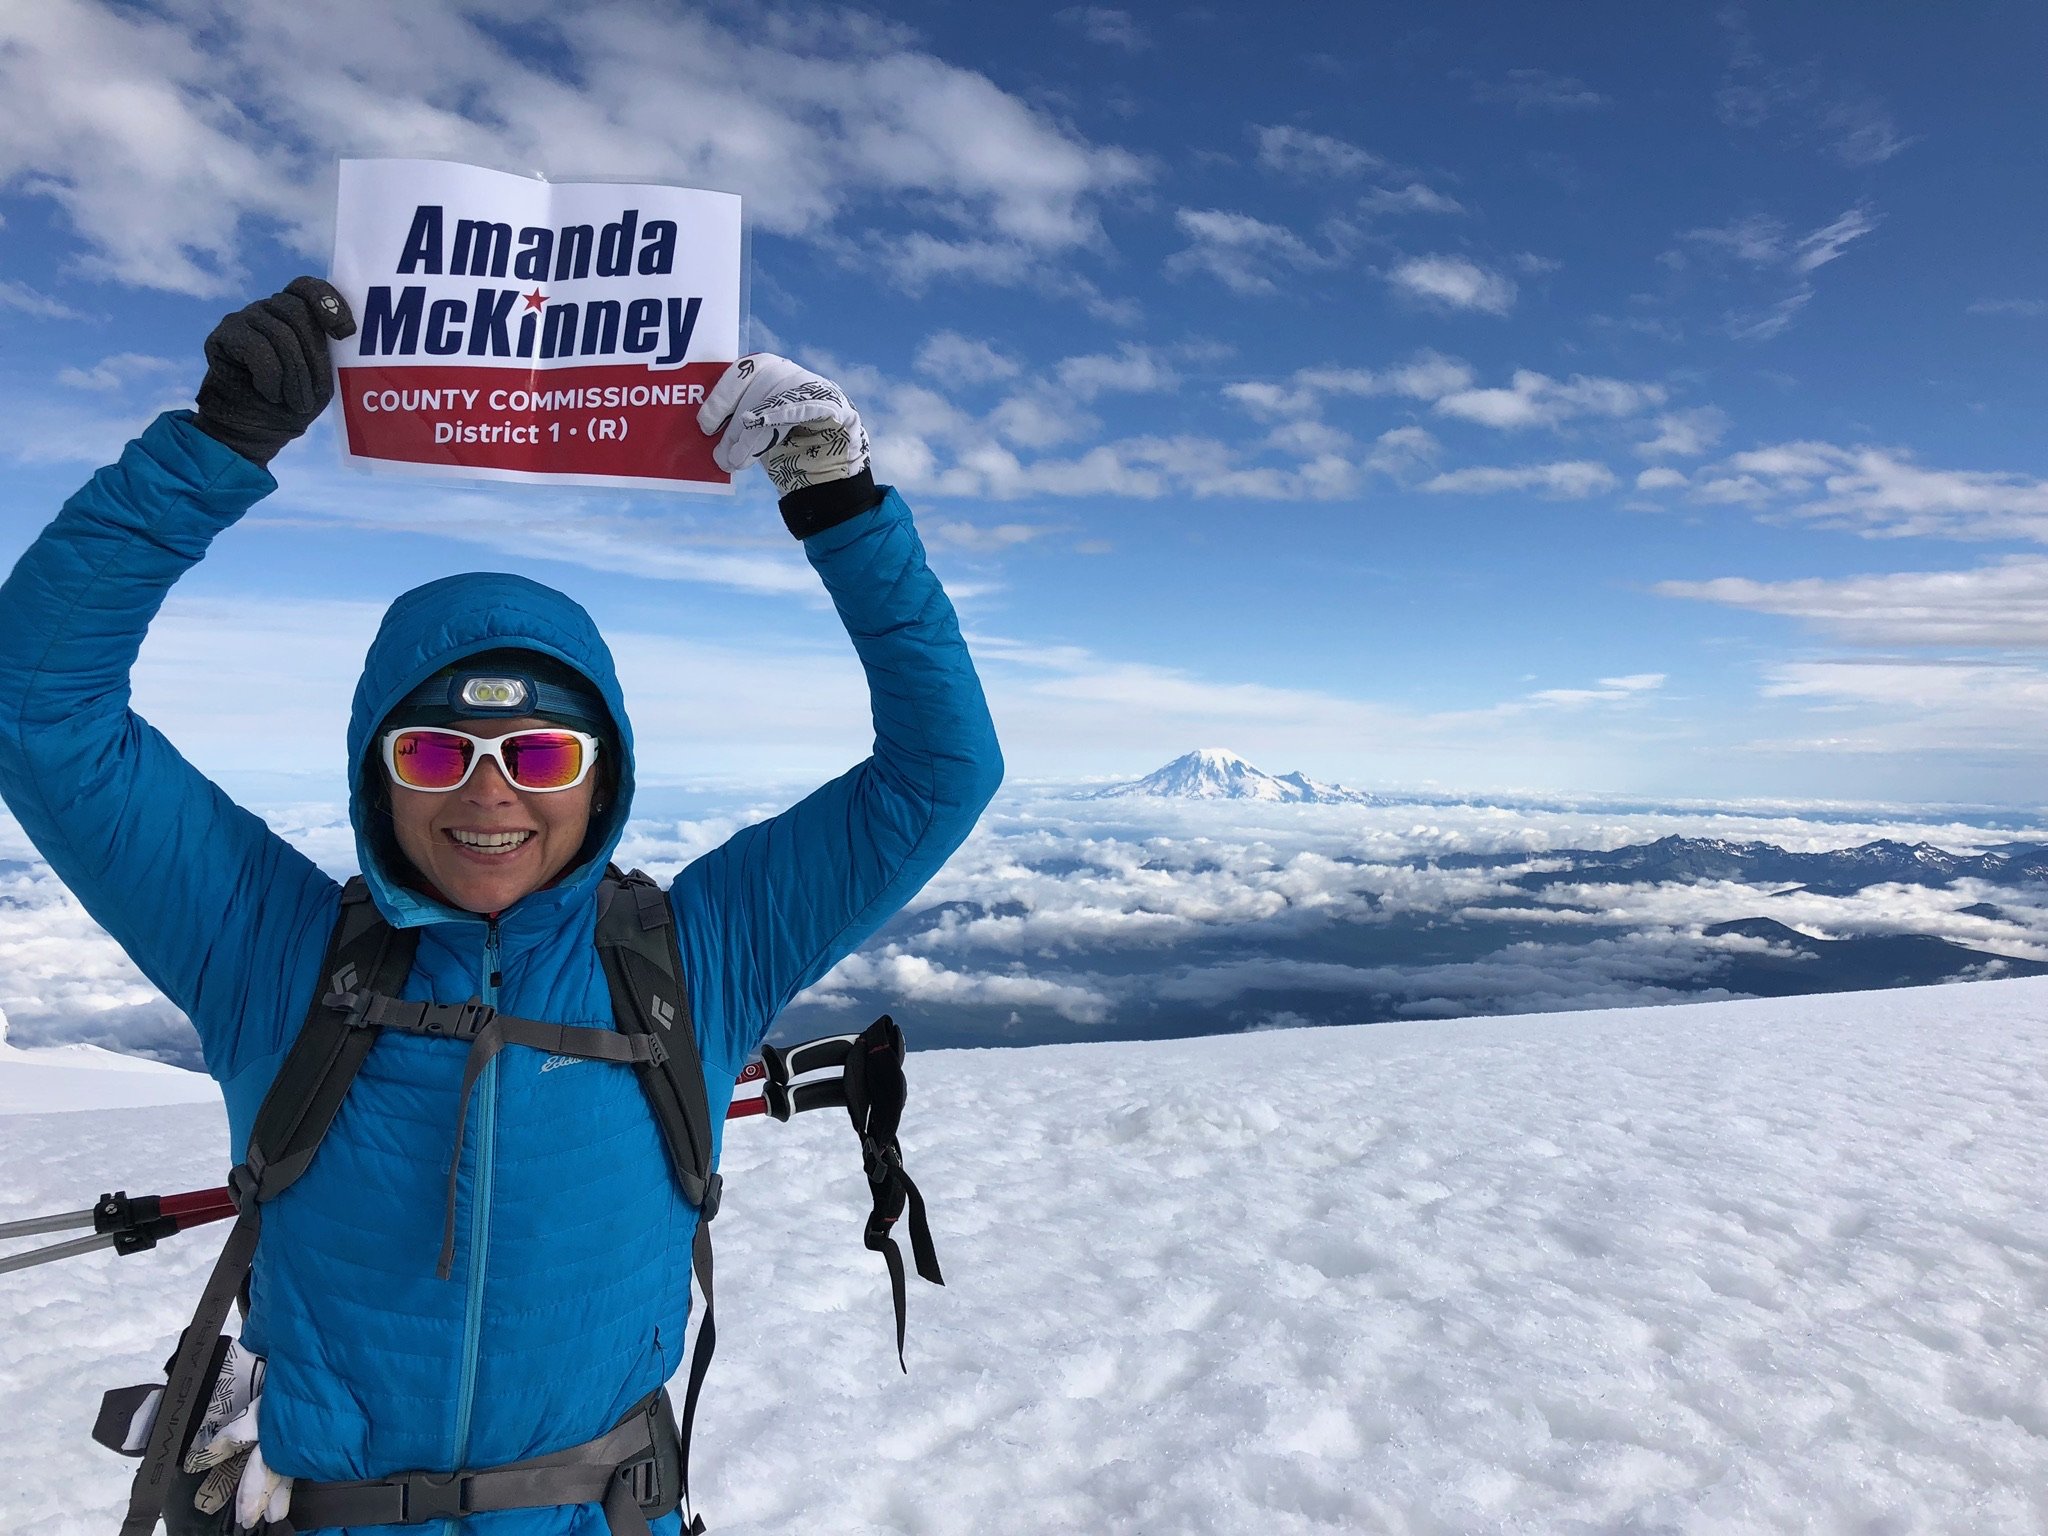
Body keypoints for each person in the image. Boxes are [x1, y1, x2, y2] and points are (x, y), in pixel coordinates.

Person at [0, 276, 1002, 1533]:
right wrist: (213, 447)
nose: (489, 797)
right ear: (378, 771)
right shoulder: (270, 950)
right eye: (433, 753)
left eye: (542, 758)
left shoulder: (694, 956)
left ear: (603, 781)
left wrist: (837, 501)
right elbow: (37, 712)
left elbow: (940, 771)